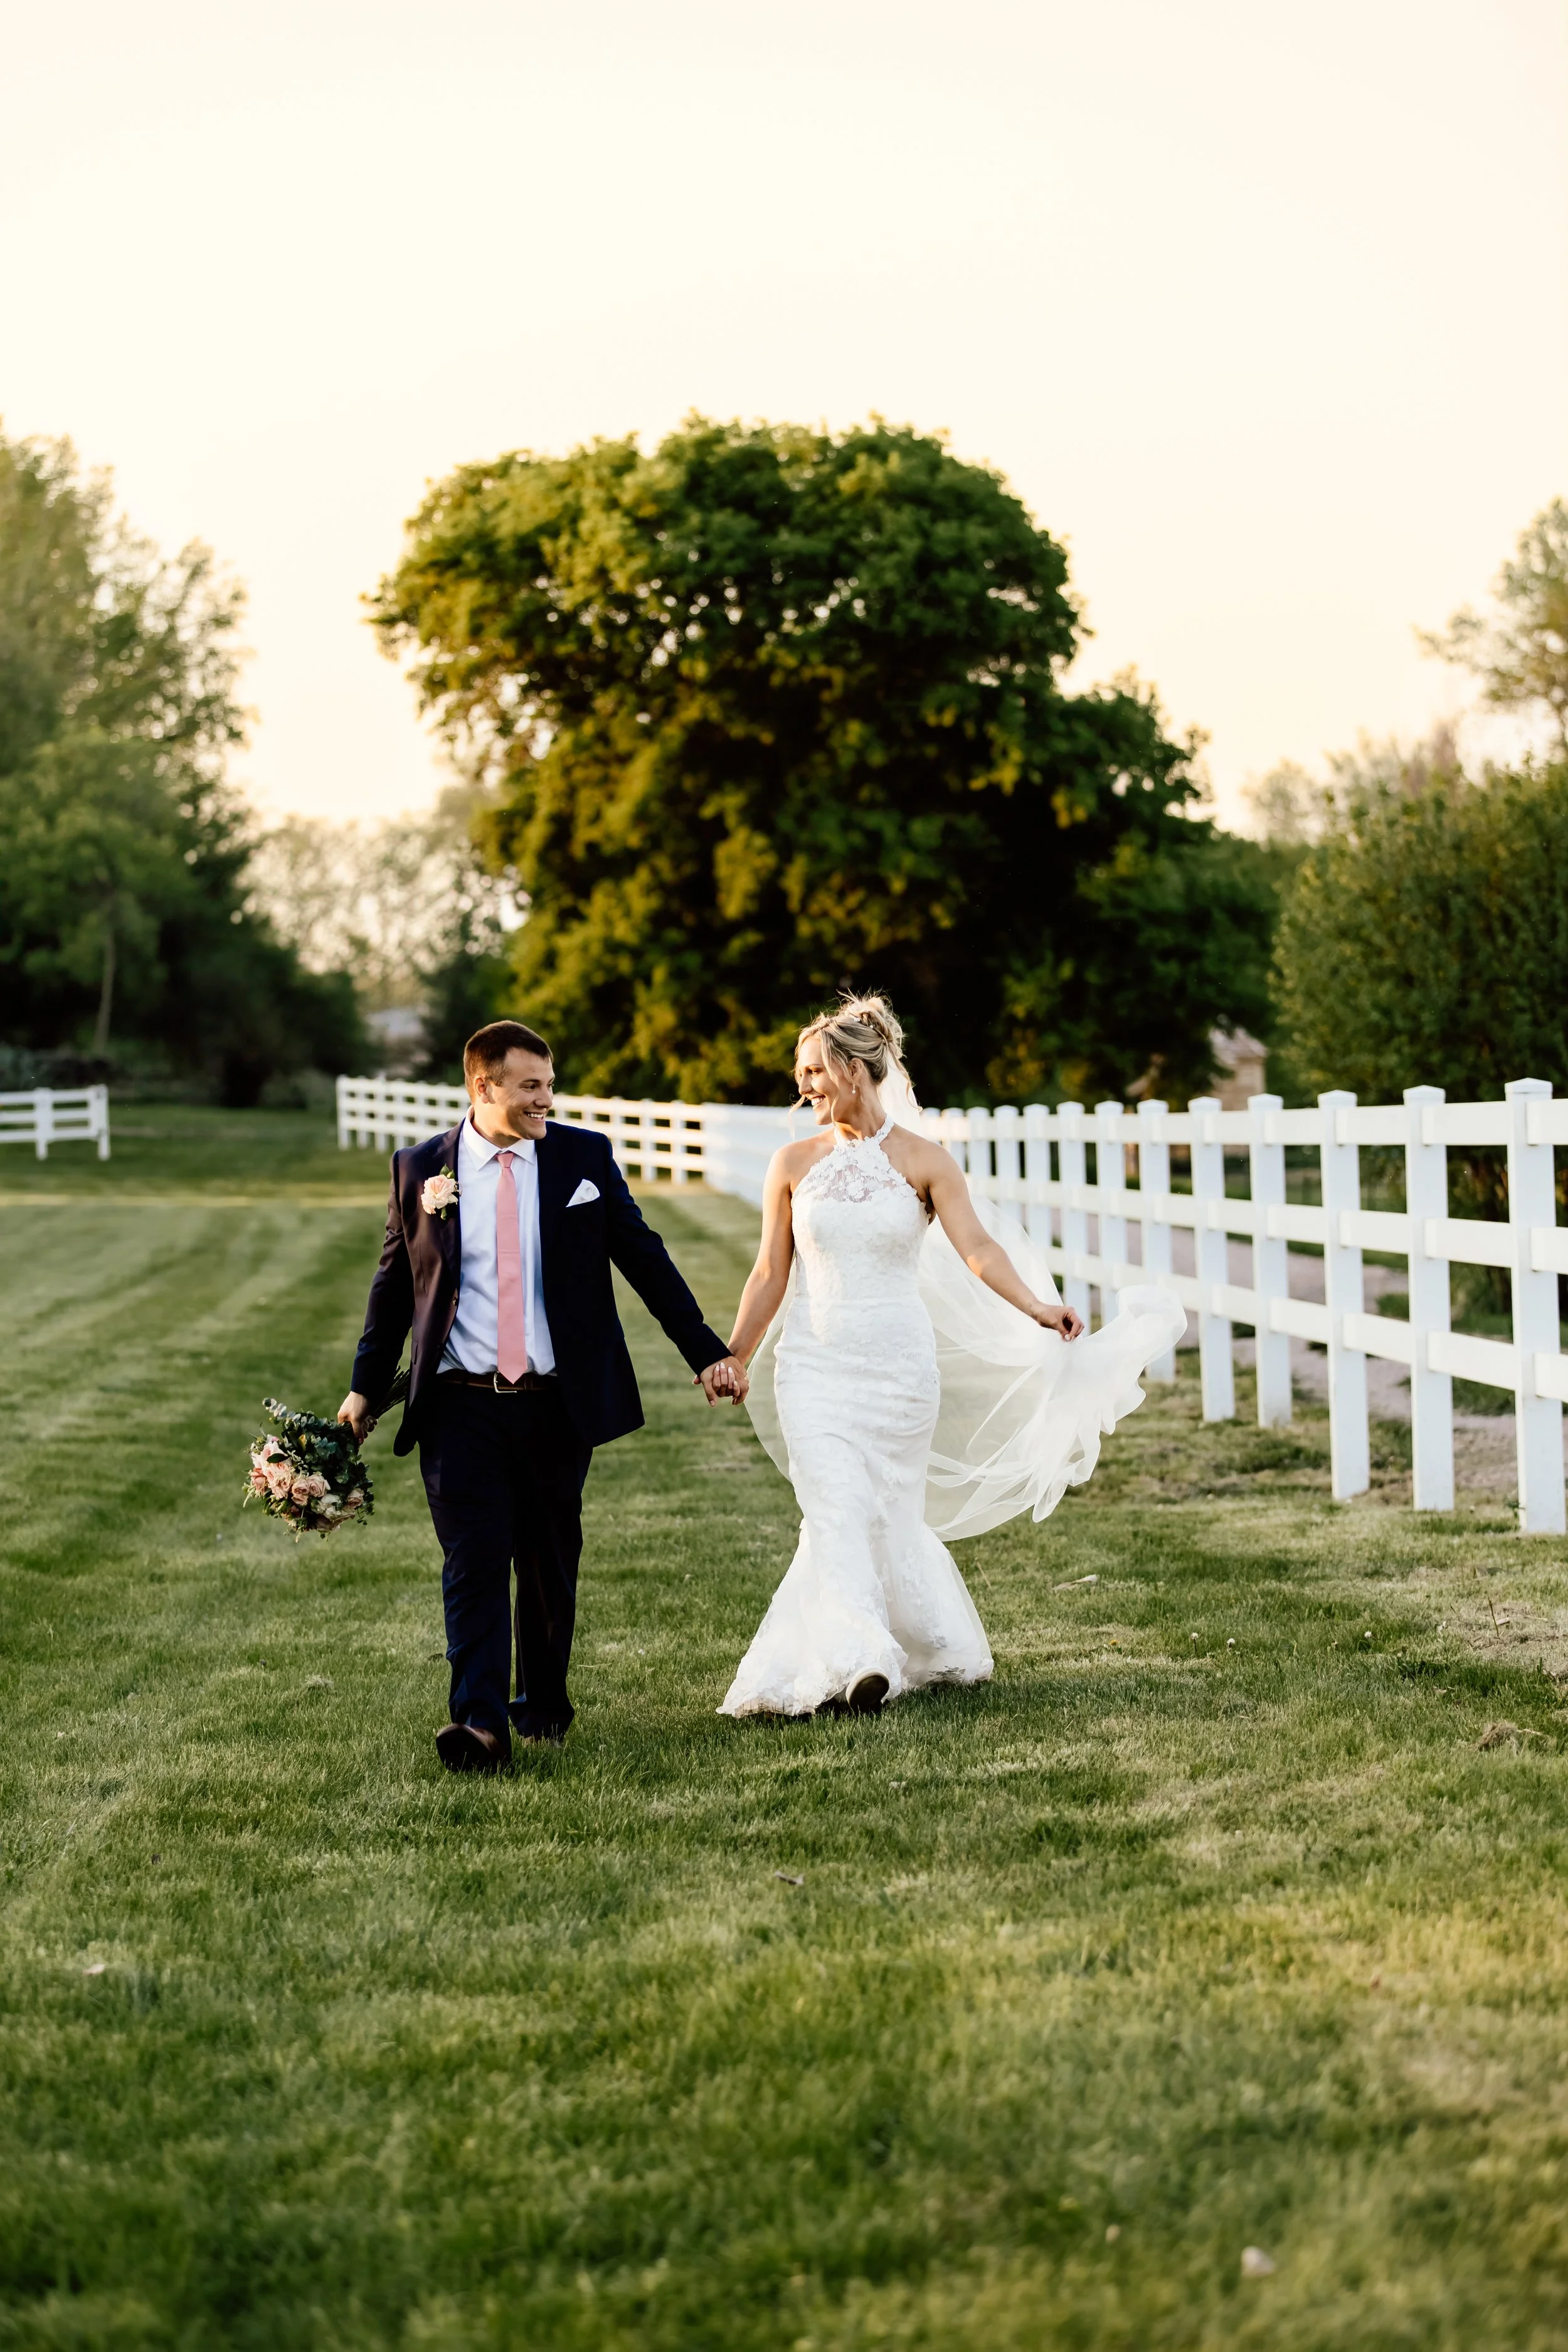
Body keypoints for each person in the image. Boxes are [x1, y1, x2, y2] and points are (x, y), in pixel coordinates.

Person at [718, 995, 1186, 1719]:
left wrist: (1036, 1306)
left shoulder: (924, 1161)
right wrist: (737, 1355)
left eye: (813, 1071)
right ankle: (860, 1661)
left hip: (899, 1369)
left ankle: (915, 1643)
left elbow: (976, 1248)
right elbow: (768, 1274)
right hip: (813, 1367)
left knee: (888, 1511)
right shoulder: (791, 1164)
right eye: (800, 1072)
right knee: (835, 1507)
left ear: (853, 1068)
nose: (802, 1085)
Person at [338, 1019, 748, 1770]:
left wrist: (707, 1351)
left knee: (549, 1560)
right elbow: (394, 1287)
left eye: (549, 1085)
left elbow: (643, 1256)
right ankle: (480, 1723)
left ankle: (543, 1705)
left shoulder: (580, 1158)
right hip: (458, 1402)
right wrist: (365, 1390)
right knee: (473, 1559)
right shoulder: (420, 1168)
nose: (544, 1101)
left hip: (556, 1401)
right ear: (482, 1085)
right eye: (529, 1087)